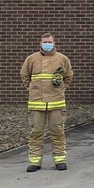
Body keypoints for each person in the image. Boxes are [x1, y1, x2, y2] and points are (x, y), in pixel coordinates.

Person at [20, 32, 74, 173]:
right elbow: (24, 76)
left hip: (56, 103)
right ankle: (35, 162)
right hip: (36, 103)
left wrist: (61, 87)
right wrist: (32, 89)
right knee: (36, 132)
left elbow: (68, 76)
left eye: (50, 42)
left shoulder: (62, 59)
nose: (47, 44)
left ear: (54, 43)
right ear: (40, 43)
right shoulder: (31, 59)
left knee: (57, 131)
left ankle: (60, 160)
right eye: (45, 42)